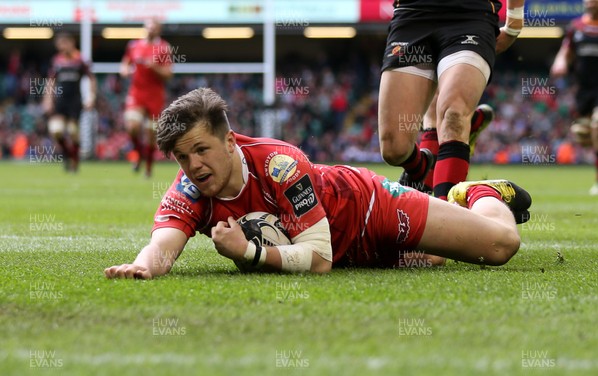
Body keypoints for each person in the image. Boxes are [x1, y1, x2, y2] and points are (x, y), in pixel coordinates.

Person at [104, 88, 532, 278]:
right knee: (434, 262)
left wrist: (249, 252)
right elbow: (162, 245)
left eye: (201, 150)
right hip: (349, 255)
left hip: (369, 209)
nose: (192, 165)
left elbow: (319, 259)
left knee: (498, 248)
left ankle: (478, 193)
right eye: (181, 156)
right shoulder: (190, 190)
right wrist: (143, 266)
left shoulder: (279, 165)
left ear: (230, 141)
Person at [378, 0, 524, 200]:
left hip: (471, 16)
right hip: (412, 16)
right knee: (394, 149)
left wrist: (515, 22)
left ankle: (448, 216)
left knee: (454, 114)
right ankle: (421, 168)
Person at [551, 0, 598, 195]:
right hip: (584, 90)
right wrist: (560, 63)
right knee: (586, 135)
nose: (589, 1)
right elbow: (566, 51)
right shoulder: (576, 27)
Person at [120, 17, 173, 177]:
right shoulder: (134, 45)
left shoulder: (164, 48)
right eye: (148, 26)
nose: (150, 29)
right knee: (132, 127)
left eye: (154, 27)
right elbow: (125, 64)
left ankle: (148, 168)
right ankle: (137, 155)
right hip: (136, 93)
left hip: (155, 95)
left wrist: (155, 67)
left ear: (158, 30)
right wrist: (125, 70)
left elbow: (168, 74)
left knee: (151, 135)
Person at [42, 32, 96, 172]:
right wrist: (48, 99)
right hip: (60, 101)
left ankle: (75, 160)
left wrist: (91, 97)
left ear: (71, 43)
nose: (61, 48)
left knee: (72, 132)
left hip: (75, 101)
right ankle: (68, 155)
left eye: (63, 44)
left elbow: (91, 79)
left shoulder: (80, 60)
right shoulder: (57, 61)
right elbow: (51, 81)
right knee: (56, 131)